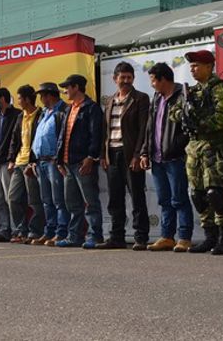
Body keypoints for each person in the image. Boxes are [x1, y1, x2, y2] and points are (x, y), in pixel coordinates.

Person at [171, 50, 223, 255]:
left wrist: (198, 122)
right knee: (197, 195)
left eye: (197, 65)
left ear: (209, 67)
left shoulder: (220, 89)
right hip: (194, 148)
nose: (192, 69)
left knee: (214, 193)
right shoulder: (190, 92)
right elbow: (174, 112)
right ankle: (209, 237)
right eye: (191, 66)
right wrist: (184, 114)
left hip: (215, 147)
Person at [140, 63, 193, 252]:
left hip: (175, 156)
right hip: (157, 158)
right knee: (164, 200)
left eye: (153, 80)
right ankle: (167, 236)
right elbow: (150, 127)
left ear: (163, 79)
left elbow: (188, 126)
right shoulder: (156, 98)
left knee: (179, 198)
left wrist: (178, 146)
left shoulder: (182, 94)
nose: (152, 84)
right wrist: (145, 152)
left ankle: (185, 237)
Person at [98, 62, 150, 250]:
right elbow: (104, 131)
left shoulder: (141, 99)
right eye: (123, 77)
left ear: (133, 79)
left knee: (137, 197)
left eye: (129, 77)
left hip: (130, 154)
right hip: (112, 154)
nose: (126, 81)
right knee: (115, 198)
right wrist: (103, 155)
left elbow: (144, 129)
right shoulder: (110, 101)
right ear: (115, 79)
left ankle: (141, 237)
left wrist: (138, 154)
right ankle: (117, 236)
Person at [56, 74, 104, 249]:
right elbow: (63, 136)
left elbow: (96, 135)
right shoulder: (69, 109)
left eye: (67, 87)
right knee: (72, 203)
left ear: (76, 87)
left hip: (83, 162)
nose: (65, 90)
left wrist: (91, 157)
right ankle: (74, 236)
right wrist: (60, 160)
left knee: (90, 201)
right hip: (68, 164)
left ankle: (95, 235)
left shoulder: (91, 108)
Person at [7, 85, 45, 244]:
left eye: (20, 98)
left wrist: (34, 162)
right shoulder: (19, 117)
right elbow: (14, 140)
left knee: (34, 200)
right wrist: (11, 159)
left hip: (32, 164)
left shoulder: (41, 114)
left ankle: (35, 231)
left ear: (28, 99)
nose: (18, 101)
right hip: (18, 163)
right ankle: (20, 230)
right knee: (13, 198)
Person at [32, 82, 69, 246]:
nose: (41, 98)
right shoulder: (44, 113)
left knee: (58, 199)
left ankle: (61, 232)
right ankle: (50, 231)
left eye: (43, 95)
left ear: (50, 95)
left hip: (54, 161)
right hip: (41, 161)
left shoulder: (63, 111)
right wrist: (33, 161)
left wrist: (59, 158)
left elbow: (64, 136)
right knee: (46, 200)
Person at [0, 88, 21, 242]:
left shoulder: (16, 115)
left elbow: (17, 139)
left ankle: (16, 230)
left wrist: (12, 158)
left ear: (3, 99)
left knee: (11, 197)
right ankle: (4, 230)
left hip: (8, 162)